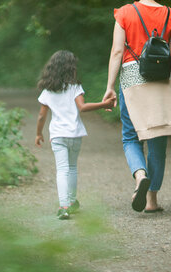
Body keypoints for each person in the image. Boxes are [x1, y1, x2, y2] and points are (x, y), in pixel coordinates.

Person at [103, 0, 171, 213]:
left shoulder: (125, 12)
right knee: (158, 139)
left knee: (131, 136)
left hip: (132, 78)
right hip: (161, 81)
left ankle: (140, 176)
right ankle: (152, 201)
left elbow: (117, 52)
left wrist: (110, 87)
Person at [35, 50, 116, 219]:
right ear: (71, 68)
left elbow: (42, 116)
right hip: (74, 134)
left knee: (62, 170)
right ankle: (71, 202)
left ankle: (63, 206)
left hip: (58, 135)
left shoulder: (47, 91)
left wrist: (38, 134)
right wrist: (103, 104)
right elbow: (83, 108)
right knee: (72, 168)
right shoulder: (75, 87)